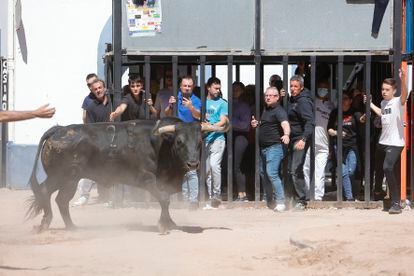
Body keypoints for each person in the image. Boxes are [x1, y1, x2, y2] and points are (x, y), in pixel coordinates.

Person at [368, 69, 408, 214]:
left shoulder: (398, 102)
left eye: (387, 89)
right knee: (378, 167)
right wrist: (371, 104)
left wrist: (403, 79)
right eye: (382, 89)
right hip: (383, 142)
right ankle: (378, 191)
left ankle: (396, 203)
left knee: (388, 168)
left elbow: (404, 95)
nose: (384, 92)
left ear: (394, 90)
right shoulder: (384, 103)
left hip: (395, 143)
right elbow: (383, 113)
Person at [251, 87, 290, 212]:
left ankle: (281, 202)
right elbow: (268, 124)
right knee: (264, 174)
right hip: (264, 148)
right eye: (266, 95)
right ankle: (270, 201)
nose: (268, 97)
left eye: (271, 95)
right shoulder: (266, 110)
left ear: (277, 97)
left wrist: (286, 134)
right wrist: (257, 124)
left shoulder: (279, 110)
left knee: (272, 173)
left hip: (275, 147)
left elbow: (285, 123)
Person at [165, 76, 201, 209]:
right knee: (178, 169)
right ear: (180, 86)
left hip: (190, 139)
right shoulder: (175, 97)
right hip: (178, 140)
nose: (186, 88)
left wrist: (191, 108)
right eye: (184, 85)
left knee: (191, 169)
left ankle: (193, 201)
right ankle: (185, 200)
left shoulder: (196, 100)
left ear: (193, 87)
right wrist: (170, 105)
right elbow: (167, 114)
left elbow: (199, 116)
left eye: (189, 86)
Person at [327, 92, 364, 201]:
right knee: (343, 172)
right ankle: (349, 197)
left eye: (346, 98)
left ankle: (344, 193)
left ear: (350, 101)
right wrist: (337, 133)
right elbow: (329, 129)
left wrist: (366, 113)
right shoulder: (334, 113)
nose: (343, 101)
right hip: (339, 145)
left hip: (352, 145)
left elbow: (362, 119)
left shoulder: (354, 112)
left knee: (350, 171)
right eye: (341, 98)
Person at [303, 80, 334, 201]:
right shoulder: (312, 102)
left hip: (324, 143)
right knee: (306, 168)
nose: (323, 90)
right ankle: (307, 193)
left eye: (325, 88)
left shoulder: (332, 106)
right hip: (310, 142)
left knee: (320, 171)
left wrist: (331, 146)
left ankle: (318, 196)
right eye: (321, 87)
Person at [287, 75, 314, 210]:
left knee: (295, 169)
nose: (292, 89)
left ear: (301, 87)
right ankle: (293, 198)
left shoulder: (303, 101)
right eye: (291, 86)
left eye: (295, 86)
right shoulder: (293, 100)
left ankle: (301, 200)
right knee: (290, 169)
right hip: (292, 139)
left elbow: (310, 121)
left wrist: (303, 139)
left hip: (299, 139)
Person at [72, 73, 99, 206]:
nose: (91, 86)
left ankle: (107, 196)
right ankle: (84, 195)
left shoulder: (107, 95)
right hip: (92, 136)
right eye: (88, 84)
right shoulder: (87, 100)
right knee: (88, 165)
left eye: (93, 83)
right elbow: (84, 118)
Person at [203, 77, 228, 209]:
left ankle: (217, 195)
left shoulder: (223, 103)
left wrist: (210, 127)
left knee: (214, 166)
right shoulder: (202, 102)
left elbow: (223, 120)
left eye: (219, 88)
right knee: (207, 170)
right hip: (205, 139)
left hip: (218, 138)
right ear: (208, 87)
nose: (218, 90)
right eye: (215, 88)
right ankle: (212, 196)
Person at [232, 82, 251, 202]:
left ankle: (242, 194)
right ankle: (237, 192)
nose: (235, 92)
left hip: (241, 137)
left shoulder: (244, 106)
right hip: (232, 137)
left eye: (238, 90)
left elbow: (245, 125)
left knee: (238, 166)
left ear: (242, 91)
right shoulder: (230, 104)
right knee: (233, 165)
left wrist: (230, 122)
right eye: (233, 89)